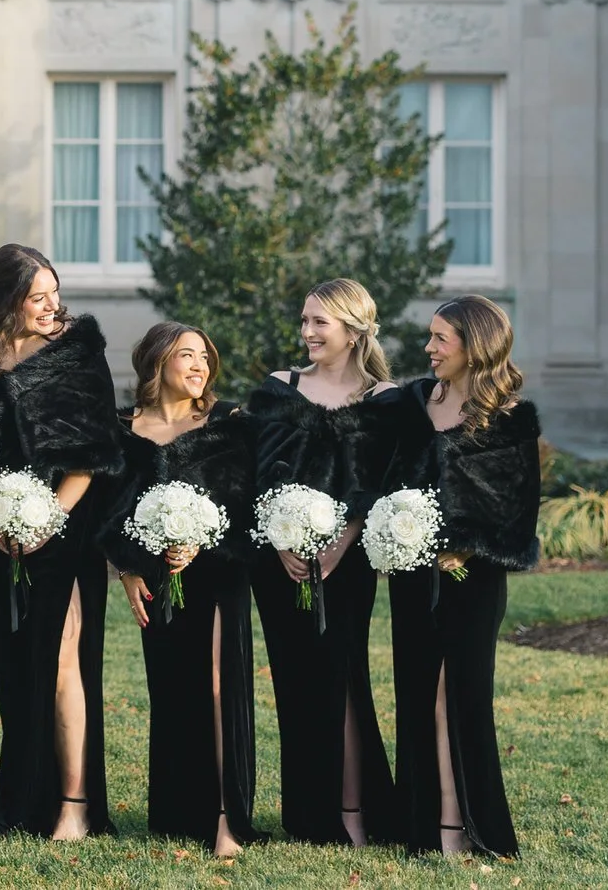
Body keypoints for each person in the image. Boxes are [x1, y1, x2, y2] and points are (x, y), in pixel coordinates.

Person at [0, 243, 123, 840]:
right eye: (38, 297)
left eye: (54, 294)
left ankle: (76, 806)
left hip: (65, 526)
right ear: (7, 299)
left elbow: (94, 455)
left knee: (63, 662)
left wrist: (44, 521)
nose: (51, 306)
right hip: (1, 526)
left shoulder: (78, 352)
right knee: (13, 662)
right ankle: (19, 803)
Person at [245, 278, 404, 847]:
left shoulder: (385, 399)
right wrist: (281, 539)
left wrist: (344, 538)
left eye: (320, 323)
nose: (307, 333)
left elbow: (383, 479)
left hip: (349, 561)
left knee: (343, 676)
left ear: (354, 329)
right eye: (305, 321)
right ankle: (309, 817)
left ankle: (356, 811)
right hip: (278, 559)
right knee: (295, 680)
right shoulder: (279, 388)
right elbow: (260, 472)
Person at [383, 296, 540, 860]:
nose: (429, 348)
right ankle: (428, 826)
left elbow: (517, 513)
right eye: (430, 337)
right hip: (411, 576)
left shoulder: (510, 417)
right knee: (418, 694)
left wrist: (465, 547)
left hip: (473, 583)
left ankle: (468, 825)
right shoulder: (412, 403)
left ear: (474, 346)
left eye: (440, 338)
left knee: (463, 697)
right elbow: (387, 478)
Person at [106, 321, 261, 858]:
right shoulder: (125, 429)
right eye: (186, 355)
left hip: (219, 573)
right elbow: (112, 510)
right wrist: (128, 571)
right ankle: (179, 812)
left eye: (204, 357)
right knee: (172, 690)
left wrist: (201, 542)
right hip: (154, 579)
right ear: (156, 364)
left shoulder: (229, 424)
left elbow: (246, 506)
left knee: (220, 687)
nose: (199, 365)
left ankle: (227, 818)